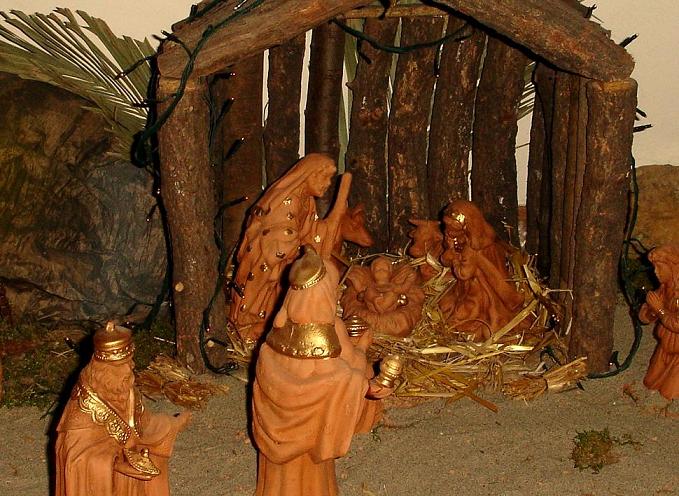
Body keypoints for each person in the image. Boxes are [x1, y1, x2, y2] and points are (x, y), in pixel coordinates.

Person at [252, 247, 391, 496]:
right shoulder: (324, 335)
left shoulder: (277, 333)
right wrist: (363, 356)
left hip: (276, 439)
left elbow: (279, 377)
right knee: (312, 481)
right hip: (309, 447)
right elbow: (339, 378)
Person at [55, 322, 191, 496]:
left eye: (129, 362)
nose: (129, 369)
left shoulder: (123, 390)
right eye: (120, 366)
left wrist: (171, 424)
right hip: (106, 483)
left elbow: (143, 424)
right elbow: (76, 458)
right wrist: (117, 464)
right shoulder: (84, 408)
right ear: (103, 371)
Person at [230, 153, 351, 342]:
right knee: (263, 293)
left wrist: (333, 220)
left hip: (283, 264)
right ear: (308, 175)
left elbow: (311, 233)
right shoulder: (287, 200)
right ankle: (248, 325)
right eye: (324, 177)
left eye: (330, 178)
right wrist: (300, 248)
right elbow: (279, 237)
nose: (328, 184)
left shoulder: (307, 201)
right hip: (267, 262)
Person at [439, 200, 525, 341]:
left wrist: (455, 260)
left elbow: (465, 274)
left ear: (467, 227)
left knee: (466, 314)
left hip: (482, 292)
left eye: (452, 228)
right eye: (446, 226)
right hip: (464, 289)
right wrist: (450, 249)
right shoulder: (456, 239)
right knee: (445, 305)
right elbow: (445, 260)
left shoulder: (478, 248)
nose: (448, 231)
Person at [342, 256, 425, 338]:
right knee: (370, 293)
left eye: (384, 270)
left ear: (390, 273)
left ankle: (381, 307)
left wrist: (409, 280)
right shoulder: (370, 287)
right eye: (377, 270)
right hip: (372, 307)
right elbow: (360, 289)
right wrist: (355, 280)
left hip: (390, 307)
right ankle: (377, 305)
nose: (381, 272)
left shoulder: (393, 286)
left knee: (391, 295)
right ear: (372, 273)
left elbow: (403, 288)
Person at [640, 245, 679, 400]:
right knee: (650, 382)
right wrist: (651, 312)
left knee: (668, 394)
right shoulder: (664, 289)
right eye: (654, 267)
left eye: (659, 267)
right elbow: (644, 316)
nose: (655, 272)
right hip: (665, 347)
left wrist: (660, 310)